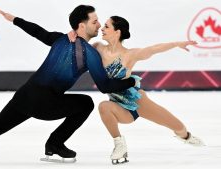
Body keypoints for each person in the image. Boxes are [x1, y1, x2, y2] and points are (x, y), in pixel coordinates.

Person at [0, 6, 139, 163]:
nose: (99, 24)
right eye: (95, 21)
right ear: (81, 26)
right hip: (47, 103)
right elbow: (106, 87)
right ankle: (55, 143)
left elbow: (38, 32)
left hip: (25, 96)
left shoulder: (61, 38)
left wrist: (15, 19)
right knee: (86, 103)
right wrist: (132, 80)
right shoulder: (89, 53)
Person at [84, 16, 204, 164]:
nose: (102, 28)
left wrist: (177, 43)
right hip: (119, 107)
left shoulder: (130, 54)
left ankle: (186, 136)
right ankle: (119, 145)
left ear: (117, 32)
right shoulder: (97, 48)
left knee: (179, 127)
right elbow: (80, 46)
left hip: (139, 102)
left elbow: (153, 49)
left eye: (107, 26)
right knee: (103, 107)